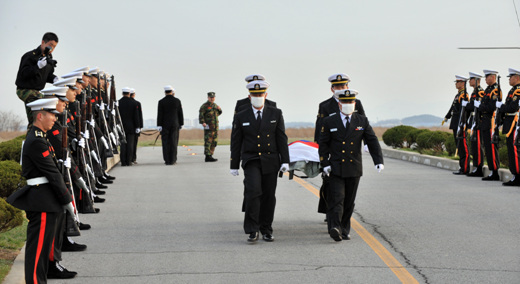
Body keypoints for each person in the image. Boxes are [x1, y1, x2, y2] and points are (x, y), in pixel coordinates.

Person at [7, 98, 76, 283]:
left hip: (46, 199)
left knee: (44, 250)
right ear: (40, 115)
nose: (55, 119)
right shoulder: (36, 140)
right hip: (42, 200)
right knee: (38, 251)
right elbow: (52, 173)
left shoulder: (40, 137)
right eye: (52, 115)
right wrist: (67, 199)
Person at [319, 89, 383, 242]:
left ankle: (344, 228)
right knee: (337, 198)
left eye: (350, 102)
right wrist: (325, 163)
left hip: (354, 167)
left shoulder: (362, 121)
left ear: (355, 103)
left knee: (349, 200)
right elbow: (323, 144)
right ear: (339, 104)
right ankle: (334, 227)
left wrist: (378, 161)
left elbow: (372, 140)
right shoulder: (329, 121)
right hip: (336, 167)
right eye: (344, 102)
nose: (348, 104)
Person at [230, 80, 290, 242]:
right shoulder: (241, 115)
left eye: (260, 94)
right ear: (249, 96)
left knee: (269, 195)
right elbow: (236, 140)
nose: (258, 97)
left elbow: (281, 137)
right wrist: (233, 164)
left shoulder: (275, 113)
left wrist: (285, 160)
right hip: (251, 159)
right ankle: (252, 228)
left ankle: (266, 228)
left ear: (266, 95)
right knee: (253, 191)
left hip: (271, 159)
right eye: (255, 95)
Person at [315, 73, 366, 220]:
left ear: (347, 87)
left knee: (348, 189)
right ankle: (332, 213)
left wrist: (367, 143)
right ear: (332, 89)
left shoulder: (357, 103)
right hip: (332, 152)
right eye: (337, 86)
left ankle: (338, 215)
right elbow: (320, 130)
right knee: (329, 183)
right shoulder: (325, 106)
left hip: (350, 153)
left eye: (343, 86)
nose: (340, 88)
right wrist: (319, 151)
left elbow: (362, 123)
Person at [15, 32, 60, 128]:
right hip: (24, 90)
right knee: (43, 104)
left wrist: (55, 79)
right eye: (50, 45)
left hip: (36, 91)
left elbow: (46, 76)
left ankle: (31, 138)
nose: (52, 49)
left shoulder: (48, 59)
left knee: (34, 121)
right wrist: (37, 66)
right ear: (43, 42)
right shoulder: (30, 56)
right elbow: (23, 74)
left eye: (54, 47)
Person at [475, 69, 502, 181]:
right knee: (487, 146)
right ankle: (492, 170)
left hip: (491, 121)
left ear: (493, 77)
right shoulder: (488, 89)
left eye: (487, 77)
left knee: (491, 147)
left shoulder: (495, 90)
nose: (485, 79)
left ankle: (495, 171)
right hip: (485, 121)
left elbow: (491, 107)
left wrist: (480, 107)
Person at [444, 75, 470, 175]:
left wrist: (462, 123)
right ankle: (461, 167)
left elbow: (465, 111)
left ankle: (465, 168)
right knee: (459, 146)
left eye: (458, 82)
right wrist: (447, 116)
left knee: (463, 146)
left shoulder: (464, 95)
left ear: (463, 83)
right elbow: (453, 107)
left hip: (460, 123)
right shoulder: (458, 94)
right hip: (455, 122)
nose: (456, 84)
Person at [498, 68, 520, 186]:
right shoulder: (512, 90)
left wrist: (501, 107)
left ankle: (517, 175)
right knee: (511, 150)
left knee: (514, 150)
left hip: (514, 123)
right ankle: (515, 175)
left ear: (517, 77)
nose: (509, 79)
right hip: (509, 122)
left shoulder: (518, 90)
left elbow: (513, 108)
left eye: (511, 77)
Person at [157, 85, 184, 165]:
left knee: (165, 142)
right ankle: (173, 159)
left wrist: (159, 125)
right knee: (173, 142)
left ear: (165, 92)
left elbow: (160, 114)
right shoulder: (177, 101)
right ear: (172, 92)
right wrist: (181, 123)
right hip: (175, 124)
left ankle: (167, 160)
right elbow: (180, 113)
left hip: (165, 125)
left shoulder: (161, 101)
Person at [466, 72, 485, 177]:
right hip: (473, 120)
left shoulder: (480, 91)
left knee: (478, 144)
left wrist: (469, 105)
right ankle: (475, 166)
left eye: (471, 79)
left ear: (476, 80)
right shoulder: (474, 92)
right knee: (474, 144)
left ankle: (479, 167)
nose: (469, 81)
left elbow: (479, 107)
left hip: (478, 120)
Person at [118, 87, 140, 166]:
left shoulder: (118, 102)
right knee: (130, 144)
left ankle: (123, 161)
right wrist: (137, 126)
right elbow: (136, 116)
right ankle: (129, 161)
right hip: (131, 126)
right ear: (129, 94)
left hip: (121, 126)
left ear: (122, 93)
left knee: (123, 144)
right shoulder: (134, 103)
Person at [199, 92, 222, 162]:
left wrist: (219, 109)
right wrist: (203, 122)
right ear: (208, 97)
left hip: (215, 127)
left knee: (214, 142)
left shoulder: (215, 105)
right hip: (208, 127)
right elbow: (201, 115)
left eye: (213, 97)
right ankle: (207, 156)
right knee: (208, 141)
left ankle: (211, 154)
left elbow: (218, 114)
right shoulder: (204, 106)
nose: (212, 98)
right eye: (211, 97)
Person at [130, 89, 143, 164]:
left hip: (125, 127)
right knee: (134, 143)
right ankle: (133, 158)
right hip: (135, 126)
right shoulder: (137, 103)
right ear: (134, 94)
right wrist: (140, 126)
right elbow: (139, 116)